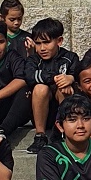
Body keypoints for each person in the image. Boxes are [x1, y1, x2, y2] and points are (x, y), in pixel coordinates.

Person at [23, 18, 80, 152]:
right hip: (41, 113)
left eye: (47, 42)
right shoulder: (33, 60)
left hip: (64, 109)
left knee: (65, 88)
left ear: (59, 41)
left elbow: (79, 75)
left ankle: (64, 132)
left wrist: (70, 78)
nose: (42, 48)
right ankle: (40, 136)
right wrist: (56, 78)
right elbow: (30, 76)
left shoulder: (70, 57)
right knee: (40, 88)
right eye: (38, 43)